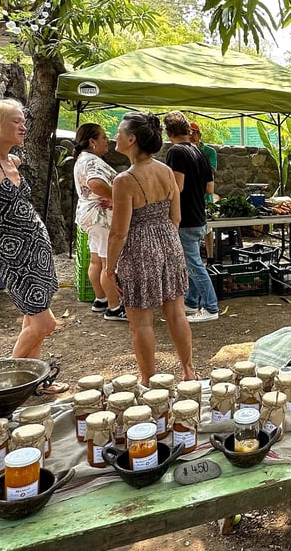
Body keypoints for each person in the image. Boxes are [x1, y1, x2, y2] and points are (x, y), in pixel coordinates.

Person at [105, 112, 196, 385]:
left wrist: (110, 268)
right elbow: (176, 218)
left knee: (141, 323)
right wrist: (165, 238)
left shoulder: (124, 180)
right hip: (169, 242)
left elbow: (119, 232)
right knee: (176, 313)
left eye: (119, 132)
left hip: (139, 249)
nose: (115, 137)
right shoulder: (166, 171)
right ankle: (189, 370)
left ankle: (148, 380)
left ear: (131, 139)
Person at [0, 99, 67, 389]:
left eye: (23, 120)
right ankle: (8, 386)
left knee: (32, 322)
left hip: (37, 251)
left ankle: (37, 383)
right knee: (44, 324)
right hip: (13, 256)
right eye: (15, 121)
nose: (23, 126)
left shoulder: (13, 161)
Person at [163, 111, 218, 323]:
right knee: (193, 262)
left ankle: (211, 307)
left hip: (184, 217)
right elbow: (210, 188)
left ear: (169, 133)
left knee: (193, 264)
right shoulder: (201, 153)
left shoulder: (176, 152)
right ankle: (191, 302)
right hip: (199, 216)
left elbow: (177, 186)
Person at [73, 123, 126, 320]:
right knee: (107, 263)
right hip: (101, 217)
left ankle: (101, 299)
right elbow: (95, 183)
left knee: (96, 260)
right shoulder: (92, 161)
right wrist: (116, 197)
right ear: (92, 142)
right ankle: (114, 307)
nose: (108, 141)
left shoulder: (83, 159)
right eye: (104, 137)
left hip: (90, 215)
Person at [189, 122, 217, 264]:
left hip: (205, 196)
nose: (192, 136)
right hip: (191, 196)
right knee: (194, 227)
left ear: (199, 135)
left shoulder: (210, 151)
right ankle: (197, 258)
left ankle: (211, 256)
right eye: (190, 133)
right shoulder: (184, 151)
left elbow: (211, 172)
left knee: (208, 226)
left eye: (195, 133)